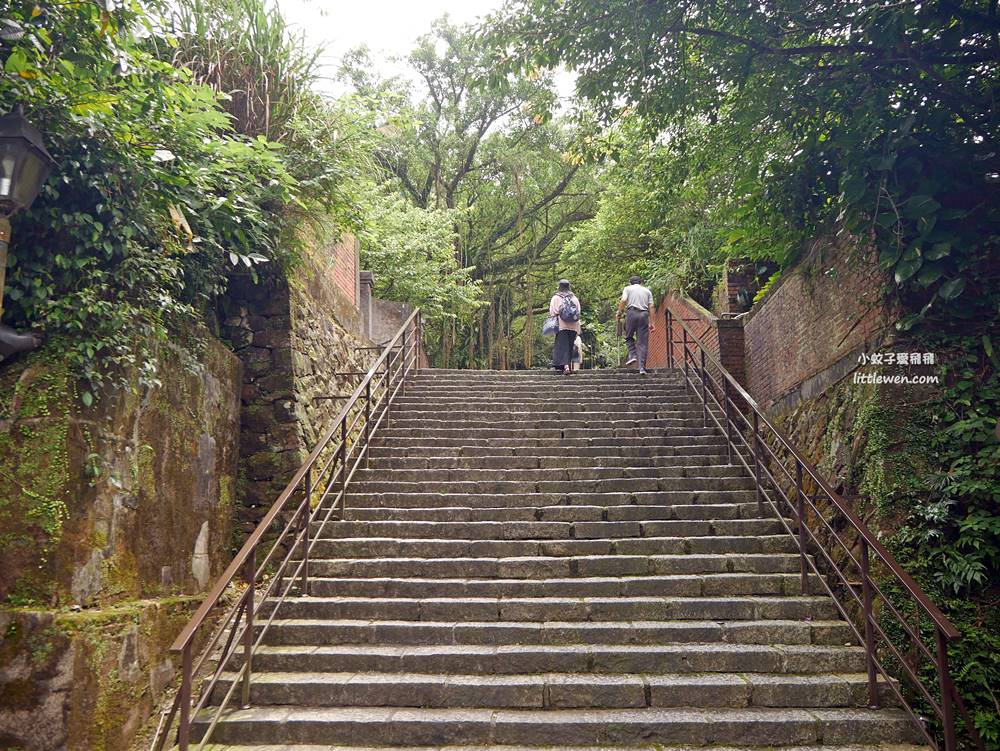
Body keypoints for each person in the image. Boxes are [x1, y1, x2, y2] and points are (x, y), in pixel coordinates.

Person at [616, 275, 655, 374]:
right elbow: (651, 306)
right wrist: (652, 322)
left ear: (630, 283)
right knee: (642, 343)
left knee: (628, 336)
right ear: (640, 283)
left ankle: (632, 355)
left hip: (631, 314)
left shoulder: (628, 289)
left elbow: (624, 300)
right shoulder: (647, 291)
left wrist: (619, 313)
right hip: (644, 315)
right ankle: (642, 368)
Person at [549, 279, 581, 375]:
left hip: (561, 325)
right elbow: (578, 312)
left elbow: (553, 312)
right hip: (574, 326)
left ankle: (566, 366)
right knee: (570, 345)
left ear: (559, 287)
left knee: (562, 346)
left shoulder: (556, 298)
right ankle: (569, 366)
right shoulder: (574, 298)